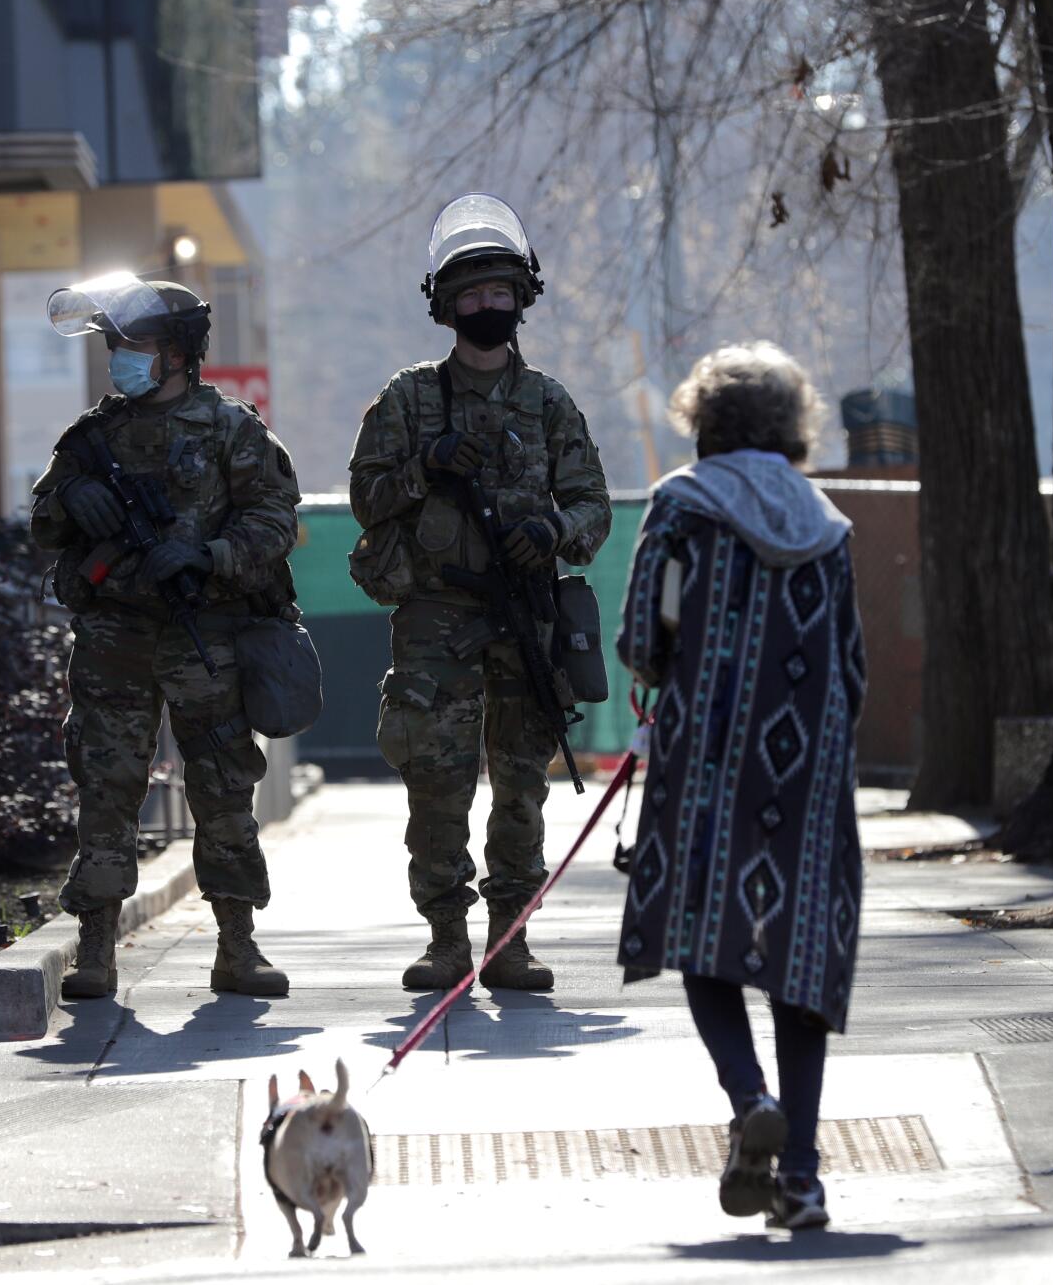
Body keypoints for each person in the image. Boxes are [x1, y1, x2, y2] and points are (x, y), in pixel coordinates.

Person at [614, 341, 865, 1231]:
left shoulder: (682, 507)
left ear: (704, 421)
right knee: (799, 959)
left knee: (699, 933)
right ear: (793, 426)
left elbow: (645, 634)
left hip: (706, 761)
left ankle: (747, 1093)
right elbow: (855, 667)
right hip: (808, 771)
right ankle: (800, 1175)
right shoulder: (827, 522)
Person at [348, 194, 612, 992]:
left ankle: (511, 943)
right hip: (434, 620)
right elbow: (366, 497)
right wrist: (426, 463)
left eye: (499, 293)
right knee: (437, 785)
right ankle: (444, 941)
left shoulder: (550, 403)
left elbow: (593, 506)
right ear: (445, 305)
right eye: (471, 295)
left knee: (521, 787)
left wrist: (554, 531)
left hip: (524, 617)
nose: (486, 306)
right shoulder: (409, 399)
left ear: (520, 299)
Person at [31, 272, 302, 999]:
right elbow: (42, 525)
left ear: (179, 351)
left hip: (203, 632)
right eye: (116, 343)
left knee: (220, 788)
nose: (122, 355)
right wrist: (69, 498)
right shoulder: (91, 439)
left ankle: (238, 948)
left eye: (138, 343)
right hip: (114, 637)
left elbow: (276, 522)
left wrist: (207, 555)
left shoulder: (231, 429)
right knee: (107, 788)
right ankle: (96, 951)